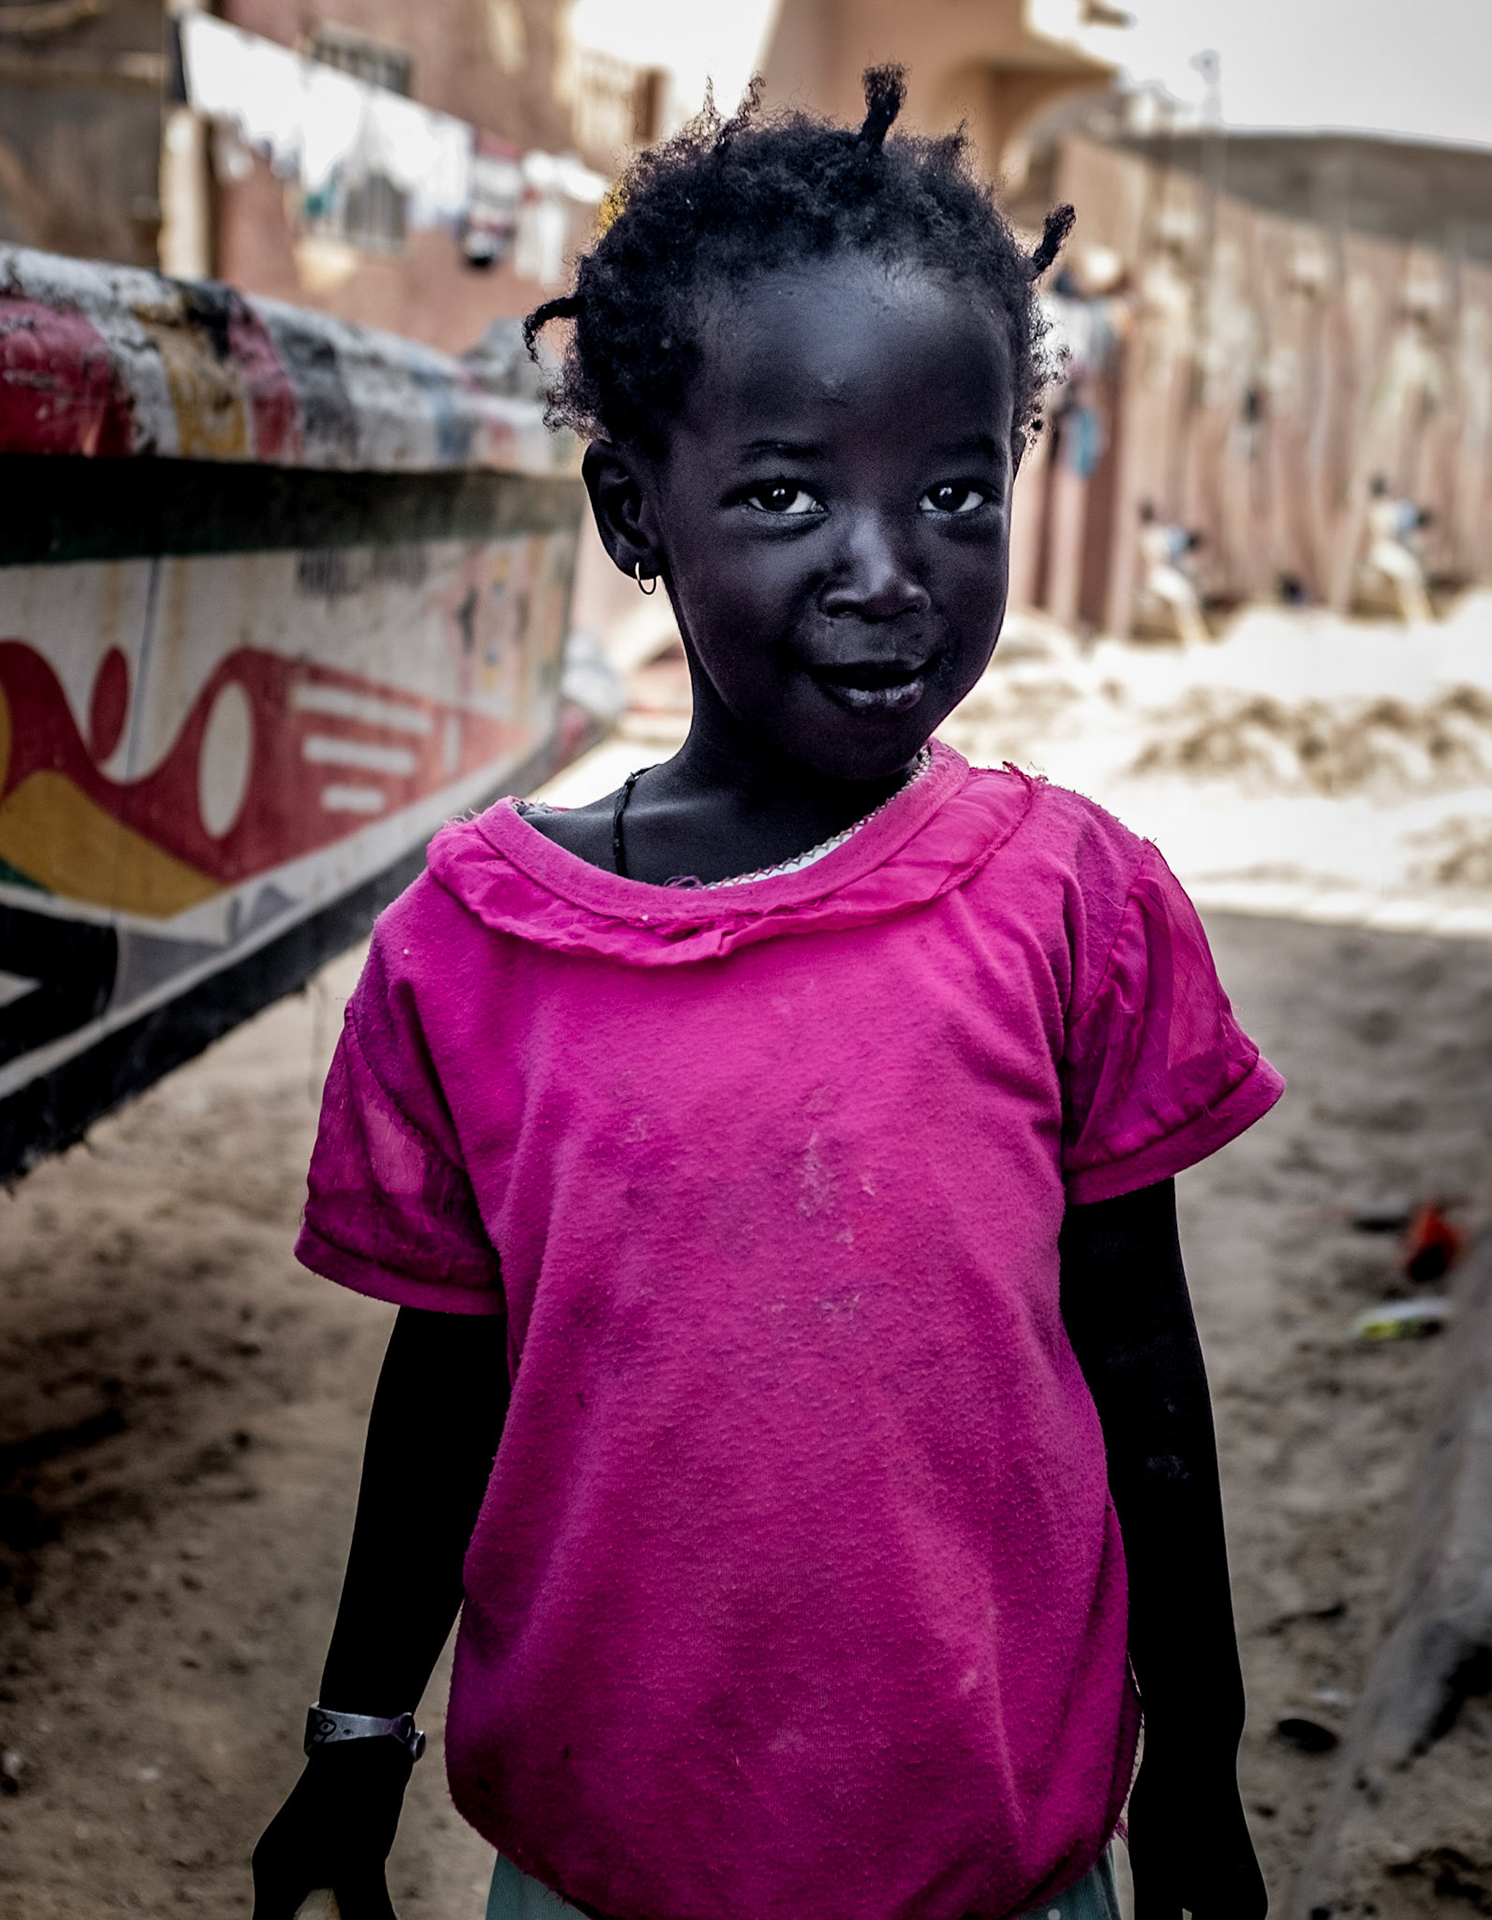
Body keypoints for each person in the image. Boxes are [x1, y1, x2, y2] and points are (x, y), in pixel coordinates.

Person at [254, 70, 1281, 1920]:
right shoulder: (473, 952)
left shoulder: (1076, 908)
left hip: (998, 1862)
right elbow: (452, 1384)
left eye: (955, 491)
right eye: (789, 494)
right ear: (634, 514)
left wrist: (1195, 1765)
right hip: (606, 1865)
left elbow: (1145, 1370)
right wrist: (354, 1740)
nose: (888, 574)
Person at [1361, 475, 1434, 625]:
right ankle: (1415, 614)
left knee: (1411, 572)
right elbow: (1397, 527)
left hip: (1385, 550)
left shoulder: (1379, 507)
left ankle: (1417, 613)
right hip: (1384, 551)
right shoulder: (1384, 508)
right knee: (1410, 573)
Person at [1134, 502, 1210, 646]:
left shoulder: (1152, 533)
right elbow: (1167, 553)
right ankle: (1191, 636)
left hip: (1161, 574)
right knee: (1184, 596)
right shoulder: (1153, 534)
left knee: (1186, 595)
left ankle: (1193, 634)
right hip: (1158, 576)